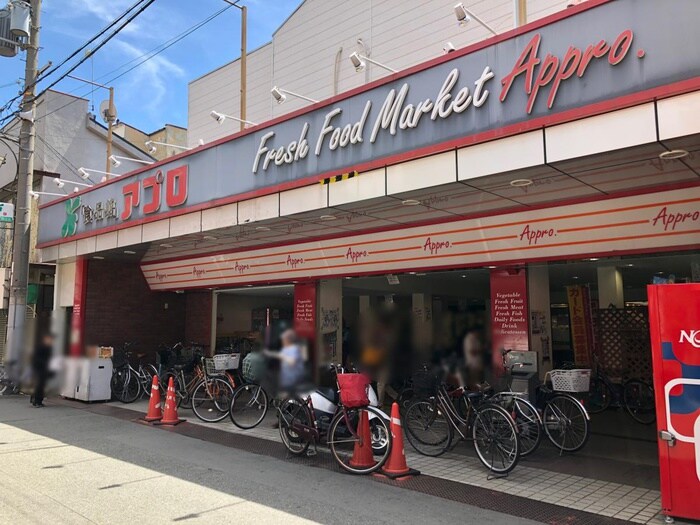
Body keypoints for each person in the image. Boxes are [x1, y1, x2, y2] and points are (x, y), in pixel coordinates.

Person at [31, 333, 53, 408]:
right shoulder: (40, 347)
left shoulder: (49, 347)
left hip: (44, 369)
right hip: (39, 368)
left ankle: (37, 400)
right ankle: (37, 401)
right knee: (40, 385)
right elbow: (36, 358)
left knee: (41, 385)